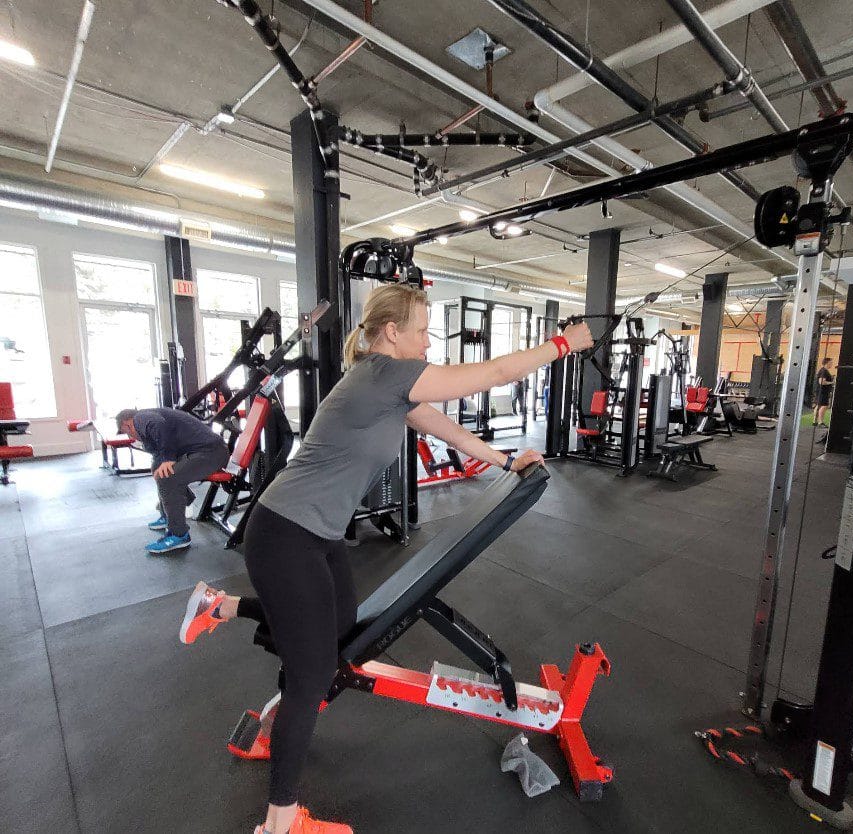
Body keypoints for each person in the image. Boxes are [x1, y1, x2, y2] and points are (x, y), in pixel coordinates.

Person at [177, 283, 592, 834]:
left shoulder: (387, 385)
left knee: (341, 627)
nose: (428, 341)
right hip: (284, 534)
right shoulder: (385, 374)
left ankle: (222, 606)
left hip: (316, 533)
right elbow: (492, 374)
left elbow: (438, 424)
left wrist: (501, 459)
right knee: (312, 675)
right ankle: (280, 823)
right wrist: (562, 345)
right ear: (392, 333)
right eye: (422, 330)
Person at [115, 406, 229, 553]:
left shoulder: (140, 418)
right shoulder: (147, 417)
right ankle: (168, 515)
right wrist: (160, 462)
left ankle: (179, 534)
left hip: (211, 453)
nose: (130, 436)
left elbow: (159, 424)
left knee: (167, 478)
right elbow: (159, 446)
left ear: (127, 424)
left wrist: (167, 458)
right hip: (202, 452)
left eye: (126, 432)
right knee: (159, 469)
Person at [814, 357, 835, 426]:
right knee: (824, 406)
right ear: (827, 363)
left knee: (818, 405)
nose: (831, 364)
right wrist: (832, 382)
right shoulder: (824, 371)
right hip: (823, 392)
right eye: (831, 363)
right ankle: (820, 422)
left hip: (821, 391)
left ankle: (815, 421)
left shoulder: (823, 370)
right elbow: (821, 382)